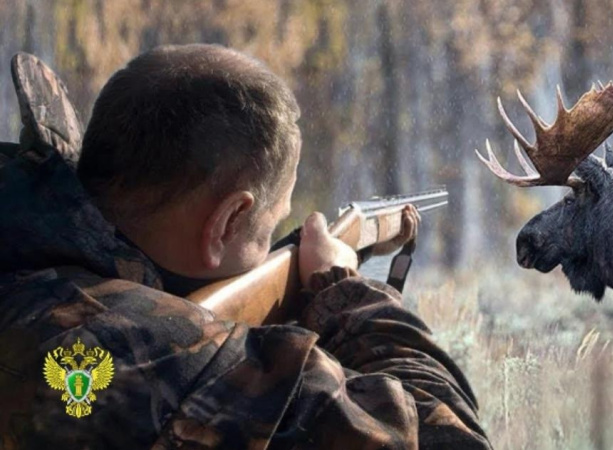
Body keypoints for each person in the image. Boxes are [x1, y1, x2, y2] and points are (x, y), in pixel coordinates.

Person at [0, 44, 490, 449]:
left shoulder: (29, 260)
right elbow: (455, 443)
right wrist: (343, 288)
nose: (274, 244)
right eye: (272, 225)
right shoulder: (166, 353)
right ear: (227, 222)